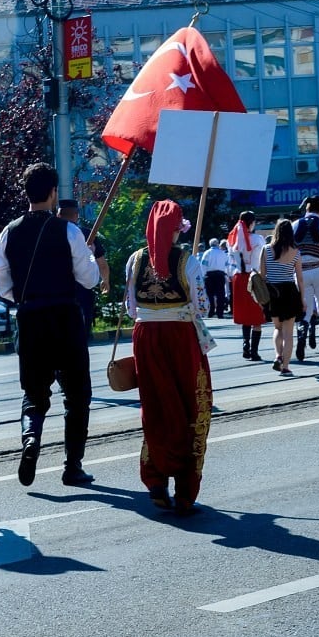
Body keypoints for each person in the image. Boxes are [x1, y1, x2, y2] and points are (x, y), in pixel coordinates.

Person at [0, 163, 100, 488]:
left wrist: (27, 296)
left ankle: (30, 439)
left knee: (34, 395)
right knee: (77, 395)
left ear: (26, 193)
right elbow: (89, 278)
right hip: (65, 318)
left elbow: (2, 284)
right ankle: (72, 466)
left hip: (30, 319)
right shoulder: (69, 231)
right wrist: (90, 257)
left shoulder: (7, 233)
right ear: (53, 193)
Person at [125, 200, 212, 515]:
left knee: (156, 407)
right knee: (192, 406)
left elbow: (130, 309)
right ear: (176, 229)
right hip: (180, 339)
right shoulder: (188, 261)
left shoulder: (135, 260)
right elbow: (202, 306)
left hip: (146, 339)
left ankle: (156, 480)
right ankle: (186, 492)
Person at [57, 199, 110, 338]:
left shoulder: (49, 234)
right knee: (82, 333)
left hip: (57, 291)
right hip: (82, 289)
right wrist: (105, 280)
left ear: (58, 215)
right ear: (76, 215)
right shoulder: (86, 234)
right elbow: (102, 263)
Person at [260, 219, 306, 376]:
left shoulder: (266, 249)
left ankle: (277, 355)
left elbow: (262, 276)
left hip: (273, 292)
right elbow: (300, 278)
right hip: (290, 291)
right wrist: (303, 299)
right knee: (288, 332)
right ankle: (285, 367)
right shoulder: (296, 251)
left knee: (277, 328)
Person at [291, 195, 319, 360]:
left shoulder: (295, 225)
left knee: (305, 309)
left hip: (301, 272)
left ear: (307, 209)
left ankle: (302, 336)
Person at [227, 210, 265, 361]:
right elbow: (262, 259)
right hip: (254, 277)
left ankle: (245, 346)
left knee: (245, 315)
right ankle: (254, 351)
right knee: (256, 316)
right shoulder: (258, 239)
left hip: (238, 277)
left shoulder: (233, 240)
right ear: (251, 223)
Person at [201, 237, 228, 318]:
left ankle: (211, 311)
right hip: (220, 275)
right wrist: (226, 274)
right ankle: (220, 313)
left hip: (209, 275)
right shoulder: (223, 253)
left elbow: (203, 264)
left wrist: (203, 275)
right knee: (220, 294)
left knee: (210, 294)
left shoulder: (207, 253)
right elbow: (226, 264)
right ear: (217, 244)